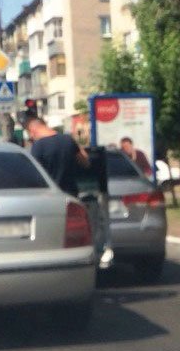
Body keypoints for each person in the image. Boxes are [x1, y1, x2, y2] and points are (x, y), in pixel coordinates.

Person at [20, 111, 114, 269]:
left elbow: (34, 175)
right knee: (73, 236)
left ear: (32, 130)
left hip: (48, 199)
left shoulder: (38, 147)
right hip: (71, 197)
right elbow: (85, 162)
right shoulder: (68, 140)